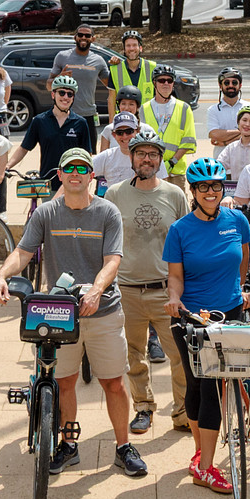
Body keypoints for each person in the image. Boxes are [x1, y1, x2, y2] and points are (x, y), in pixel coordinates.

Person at [0, 150, 142, 477]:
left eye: (82, 168)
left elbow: (112, 260)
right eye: (69, 168)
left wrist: (97, 289)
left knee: (114, 383)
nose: (76, 173)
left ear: (92, 176)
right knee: (64, 382)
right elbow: (23, 251)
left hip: (103, 310)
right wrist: (0, 275)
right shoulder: (46, 213)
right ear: (60, 175)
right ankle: (68, 444)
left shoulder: (107, 212)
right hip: (60, 312)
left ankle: (123, 446)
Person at [163, 157, 250, 492]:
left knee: (216, 387)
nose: (211, 192)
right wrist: (175, 301)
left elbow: (242, 261)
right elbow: (175, 277)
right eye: (204, 187)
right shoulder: (180, 230)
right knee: (197, 386)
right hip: (191, 317)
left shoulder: (237, 220)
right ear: (194, 191)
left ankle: (204, 462)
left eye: (216, 185)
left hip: (230, 314)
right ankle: (204, 460)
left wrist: (240, 291)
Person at [103, 129, 187, 435]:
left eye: (153, 154)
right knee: (132, 354)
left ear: (160, 159)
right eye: (141, 153)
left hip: (166, 290)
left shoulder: (175, 194)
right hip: (126, 289)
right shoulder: (114, 194)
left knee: (179, 354)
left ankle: (182, 411)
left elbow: (185, 241)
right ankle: (143, 407)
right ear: (131, 156)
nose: (146, 159)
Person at [9, 76, 94, 201]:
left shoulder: (80, 123)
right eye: (62, 93)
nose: (65, 97)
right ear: (53, 94)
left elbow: (87, 154)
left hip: (73, 183)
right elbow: (24, 148)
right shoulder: (40, 121)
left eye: (70, 94)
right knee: (48, 218)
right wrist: (7, 166)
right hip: (48, 183)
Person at [142, 65, 198, 189]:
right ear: (154, 83)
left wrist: (171, 163)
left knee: (177, 207)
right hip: (150, 170)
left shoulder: (184, 108)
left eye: (170, 80)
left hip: (175, 172)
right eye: (162, 80)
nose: (166, 84)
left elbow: (188, 141)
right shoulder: (143, 109)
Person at [53, 26, 107, 132]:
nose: (83, 37)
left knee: (89, 149)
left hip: (88, 115)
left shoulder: (98, 61)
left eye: (87, 35)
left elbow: (111, 85)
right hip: (64, 114)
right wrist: (59, 78)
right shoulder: (62, 56)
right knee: (63, 149)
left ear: (93, 39)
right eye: (80, 35)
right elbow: (48, 85)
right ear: (75, 37)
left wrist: (117, 65)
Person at [105, 30, 157, 118]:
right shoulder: (115, 70)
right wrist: (112, 123)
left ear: (140, 48)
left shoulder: (152, 67)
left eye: (134, 45)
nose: (131, 48)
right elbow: (111, 100)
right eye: (128, 46)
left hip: (147, 120)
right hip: (123, 120)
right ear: (124, 49)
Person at [216, 102, 250, 179]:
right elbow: (218, 167)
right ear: (238, 122)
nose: (247, 124)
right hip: (237, 189)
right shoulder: (231, 148)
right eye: (244, 120)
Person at [94, 112, 141, 191]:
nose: (125, 136)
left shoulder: (150, 157)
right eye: (120, 133)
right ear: (114, 135)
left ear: (138, 131)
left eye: (129, 131)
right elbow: (81, 172)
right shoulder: (107, 156)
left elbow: (163, 184)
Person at [204, 68, 247, 147]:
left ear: (240, 85)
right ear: (220, 86)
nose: (230, 85)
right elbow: (214, 135)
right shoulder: (213, 110)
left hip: (248, 158)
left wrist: (225, 142)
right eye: (226, 83)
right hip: (221, 158)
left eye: (234, 82)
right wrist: (244, 131)